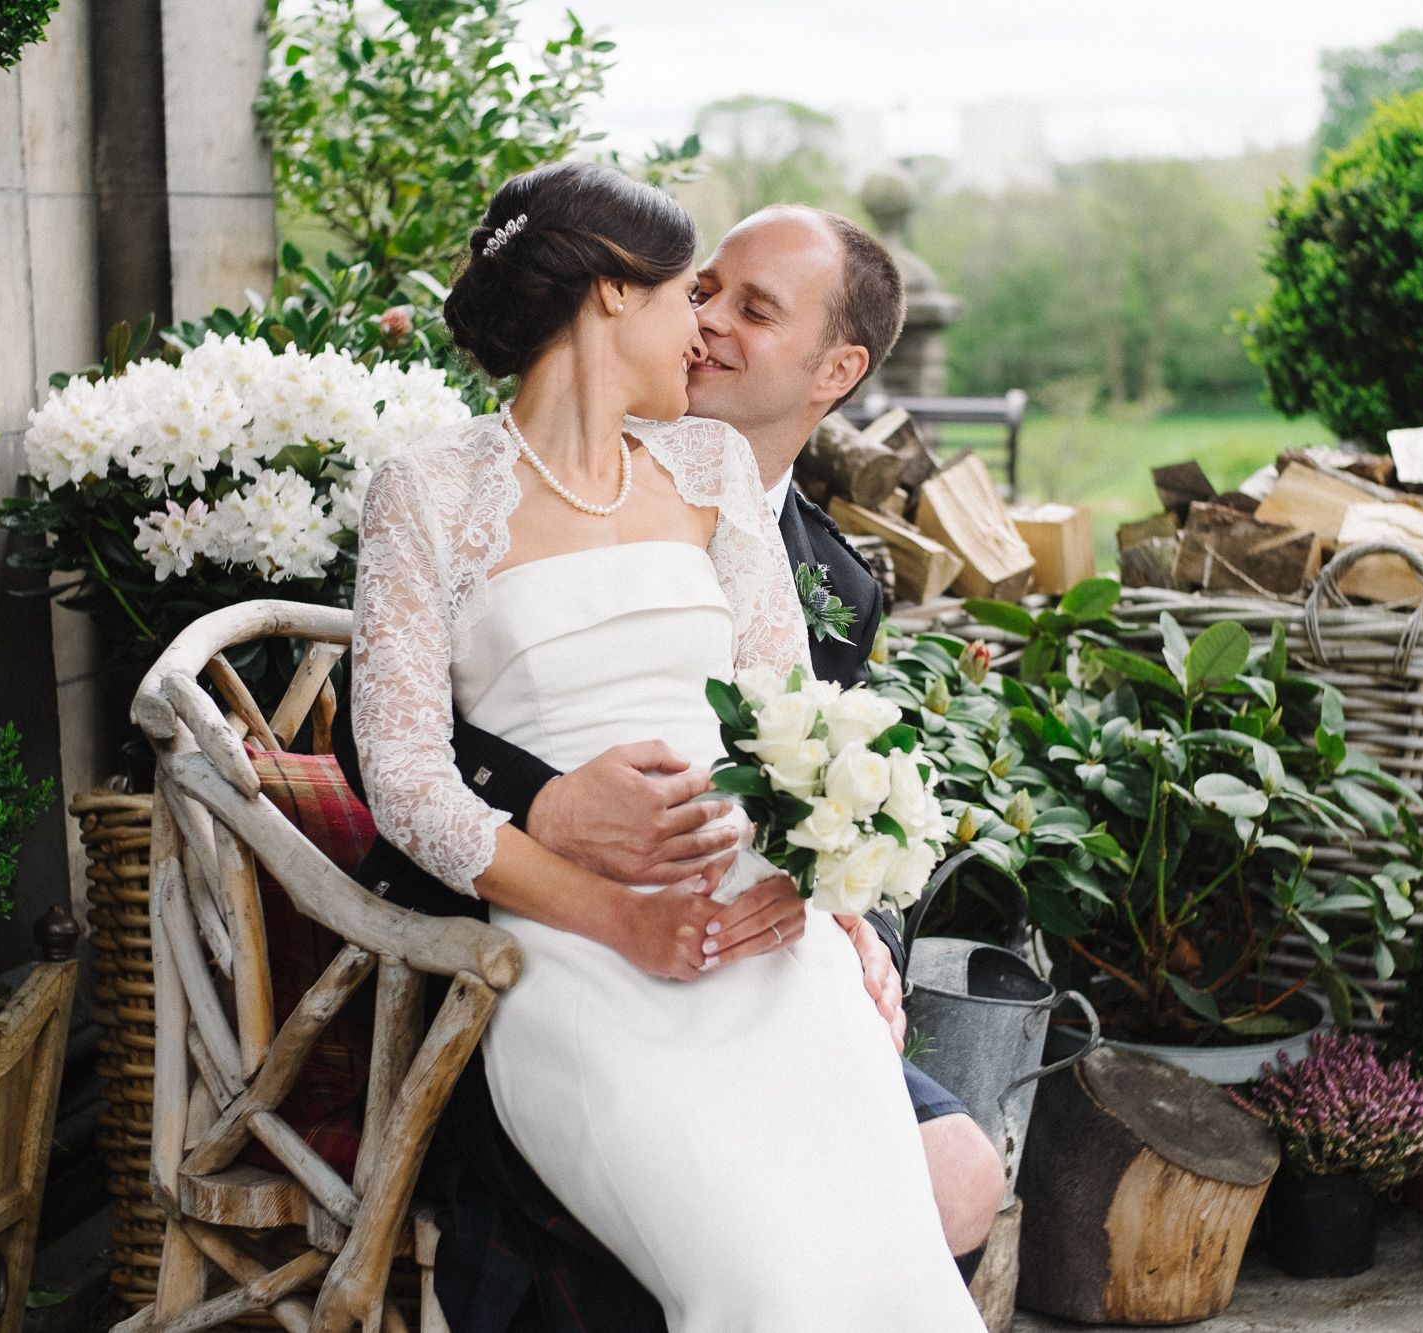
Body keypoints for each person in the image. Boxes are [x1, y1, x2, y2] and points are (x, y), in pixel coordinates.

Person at [350, 161, 988, 1332]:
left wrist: (831, 905)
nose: (699, 329)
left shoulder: (708, 474)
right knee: (763, 1281)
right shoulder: (427, 492)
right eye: (687, 295)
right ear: (607, 297)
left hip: (762, 939)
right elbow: (399, 772)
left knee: (887, 1271)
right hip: (573, 957)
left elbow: (791, 719)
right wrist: (614, 911)